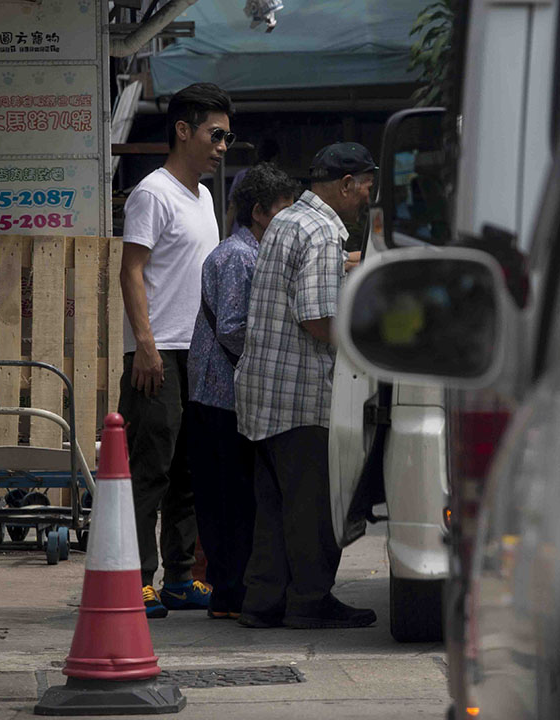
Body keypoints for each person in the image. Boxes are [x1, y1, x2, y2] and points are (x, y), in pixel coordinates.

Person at [234, 142, 378, 629]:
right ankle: (310, 600)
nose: (366, 200)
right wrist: (367, 345)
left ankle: (263, 601)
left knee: (274, 510)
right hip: (301, 396)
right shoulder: (320, 231)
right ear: (344, 185)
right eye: (365, 189)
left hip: (264, 394)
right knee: (314, 510)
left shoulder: (288, 220)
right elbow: (318, 318)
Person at [117, 82, 235, 618]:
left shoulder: (205, 197)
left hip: (199, 353)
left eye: (227, 137)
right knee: (150, 471)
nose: (222, 147)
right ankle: (135, 580)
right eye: (215, 134)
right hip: (159, 351)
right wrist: (144, 344)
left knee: (188, 472)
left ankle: (179, 577)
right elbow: (131, 269)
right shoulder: (152, 192)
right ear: (183, 131)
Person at [186, 162, 299, 620]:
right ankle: (230, 594)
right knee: (230, 501)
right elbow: (232, 328)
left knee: (228, 499)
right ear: (257, 212)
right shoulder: (239, 258)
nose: (286, 225)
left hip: (222, 394)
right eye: (280, 214)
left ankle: (230, 592)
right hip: (222, 396)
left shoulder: (244, 253)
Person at [224, 137, 281, 237]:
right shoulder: (276, 180)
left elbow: (232, 208)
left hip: (239, 232)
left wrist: (226, 234)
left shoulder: (242, 175)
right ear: (275, 158)